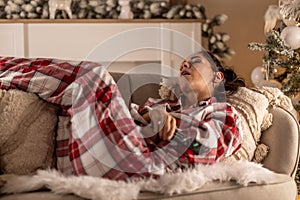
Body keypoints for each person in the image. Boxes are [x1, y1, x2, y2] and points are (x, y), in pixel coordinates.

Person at [0, 50, 245, 180]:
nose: (184, 65)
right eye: (182, 63)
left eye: (194, 61)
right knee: (78, 89)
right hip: (101, 151)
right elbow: (131, 119)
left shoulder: (224, 112)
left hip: (144, 164)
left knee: (93, 75)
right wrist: (154, 115)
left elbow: (207, 149)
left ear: (217, 76)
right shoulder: (162, 105)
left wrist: (167, 122)